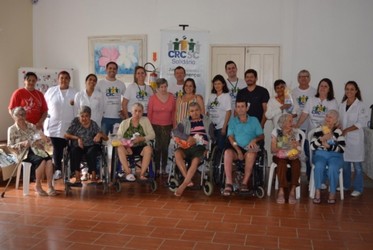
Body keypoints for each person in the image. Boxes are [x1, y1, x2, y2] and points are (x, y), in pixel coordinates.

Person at [7, 107, 55, 196]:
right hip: (23, 153)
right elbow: (10, 146)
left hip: (35, 149)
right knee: (41, 160)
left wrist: (43, 140)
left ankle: (50, 186)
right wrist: (22, 144)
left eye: (23, 114)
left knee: (48, 160)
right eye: (19, 115)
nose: (21, 117)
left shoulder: (31, 126)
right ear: (14, 116)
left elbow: (38, 137)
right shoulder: (12, 129)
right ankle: (38, 185)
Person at [223, 100, 264, 196]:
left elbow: (262, 136)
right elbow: (230, 137)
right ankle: (228, 183)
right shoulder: (233, 121)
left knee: (251, 153)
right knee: (227, 153)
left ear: (247, 108)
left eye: (242, 106)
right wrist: (238, 150)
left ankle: (244, 183)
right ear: (236, 109)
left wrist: (254, 140)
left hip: (251, 146)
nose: (240, 109)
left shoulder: (254, 120)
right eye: (238, 107)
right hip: (236, 146)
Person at [173, 102, 214, 196]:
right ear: (189, 112)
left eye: (196, 110)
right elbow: (175, 131)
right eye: (192, 111)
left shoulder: (207, 121)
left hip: (200, 147)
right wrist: (187, 138)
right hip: (186, 145)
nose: (194, 113)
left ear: (200, 110)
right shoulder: (185, 121)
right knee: (177, 153)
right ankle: (188, 180)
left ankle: (183, 185)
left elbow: (212, 137)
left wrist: (208, 147)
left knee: (195, 160)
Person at [44, 71, 77, 180]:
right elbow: (45, 108)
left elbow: (78, 110)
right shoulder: (51, 91)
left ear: (69, 80)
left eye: (66, 78)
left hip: (70, 127)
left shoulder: (75, 92)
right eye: (61, 78)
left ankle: (72, 170)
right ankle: (58, 170)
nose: (64, 80)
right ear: (58, 79)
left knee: (71, 149)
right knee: (57, 149)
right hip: (54, 125)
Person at [65, 106, 108, 186]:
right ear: (79, 116)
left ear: (90, 116)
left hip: (91, 146)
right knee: (74, 151)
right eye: (82, 116)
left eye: (86, 116)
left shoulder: (93, 124)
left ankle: (93, 178)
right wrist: (77, 138)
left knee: (91, 152)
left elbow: (106, 138)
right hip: (78, 146)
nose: (84, 118)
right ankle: (77, 179)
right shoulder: (75, 123)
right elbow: (66, 135)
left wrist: (99, 134)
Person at [339, 81, 368, 197]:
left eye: (352, 89)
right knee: (345, 165)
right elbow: (340, 121)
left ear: (356, 91)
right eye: (347, 89)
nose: (349, 91)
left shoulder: (360, 106)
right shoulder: (342, 105)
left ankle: (358, 188)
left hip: (355, 140)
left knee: (357, 167)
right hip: (344, 140)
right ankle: (345, 185)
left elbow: (361, 123)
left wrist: (346, 130)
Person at [310, 110, 345, 204]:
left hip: (335, 156)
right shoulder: (319, 129)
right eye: (327, 116)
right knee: (319, 166)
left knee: (333, 167)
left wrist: (330, 147)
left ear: (335, 120)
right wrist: (321, 140)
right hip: (320, 154)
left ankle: (332, 192)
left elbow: (342, 149)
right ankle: (317, 191)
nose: (327, 118)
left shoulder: (338, 131)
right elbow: (312, 146)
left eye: (330, 117)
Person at [116, 103, 155, 181]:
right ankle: (128, 173)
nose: (137, 113)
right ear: (131, 111)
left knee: (148, 149)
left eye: (140, 111)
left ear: (142, 112)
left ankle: (142, 174)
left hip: (141, 146)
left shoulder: (145, 120)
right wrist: (127, 146)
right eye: (135, 111)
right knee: (119, 148)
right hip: (128, 147)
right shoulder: (124, 123)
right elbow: (119, 137)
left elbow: (152, 135)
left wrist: (142, 138)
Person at [271, 114, 301, 204]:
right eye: (290, 121)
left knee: (296, 164)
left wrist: (296, 152)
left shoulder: (295, 133)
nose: (292, 123)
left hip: (292, 156)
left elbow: (298, 149)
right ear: (283, 123)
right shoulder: (276, 132)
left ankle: (292, 190)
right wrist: (283, 144)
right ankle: (281, 190)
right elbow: (273, 149)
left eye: (292, 121)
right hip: (279, 156)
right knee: (281, 164)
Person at [292, 69, 317, 179]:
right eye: (301, 76)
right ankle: (294, 176)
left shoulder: (314, 92)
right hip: (296, 126)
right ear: (298, 79)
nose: (303, 78)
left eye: (306, 76)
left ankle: (309, 176)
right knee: (295, 150)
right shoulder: (293, 92)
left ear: (309, 78)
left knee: (308, 152)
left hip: (310, 127)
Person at [148, 78, 176, 174]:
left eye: (165, 86)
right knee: (157, 147)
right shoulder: (153, 98)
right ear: (158, 88)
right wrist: (149, 127)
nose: (164, 89)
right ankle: (156, 167)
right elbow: (149, 113)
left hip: (168, 125)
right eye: (161, 87)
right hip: (155, 125)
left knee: (165, 147)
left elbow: (174, 112)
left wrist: (174, 125)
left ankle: (163, 167)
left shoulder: (172, 97)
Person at [96, 61, 126, 135]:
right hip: (104, 117)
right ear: (106, 69)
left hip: (118, 117)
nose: (112, 70)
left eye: (114, 68)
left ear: (117, 70)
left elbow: (126, 99)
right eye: (110, 68)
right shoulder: (100, 84)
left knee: (117, 140)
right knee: (103, 140)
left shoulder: (121, 84)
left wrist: (123, 112)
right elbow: (95, 99)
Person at [207, 74, 231, 150]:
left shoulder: (226, 96)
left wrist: (224, 127)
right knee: (211, 148)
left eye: (219, 83)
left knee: (220, 148)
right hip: (211, 127)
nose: (217, 86)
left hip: (221, 127)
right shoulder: (211, 96)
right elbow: (208, 111)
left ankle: (218, 162)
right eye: (215, 84)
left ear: (223, 84)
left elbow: (228, 112)